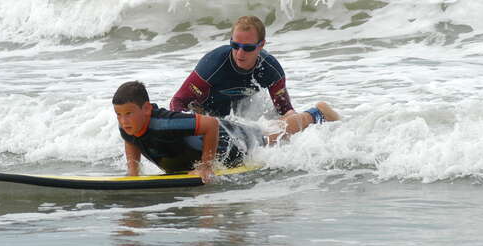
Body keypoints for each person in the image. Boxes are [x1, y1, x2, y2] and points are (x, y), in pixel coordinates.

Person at [113, 81, 340, 183]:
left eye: (128, 113)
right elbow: (131, 140)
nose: (123, 121)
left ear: (146, 108)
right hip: (214, 139)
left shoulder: (164, 123)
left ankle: (315, 113)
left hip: (229, 139)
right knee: (269, 132)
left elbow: (210, 125)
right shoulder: (130, 125)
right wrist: (133, 172)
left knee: (271, 139)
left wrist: (207, 166)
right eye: (119, 115)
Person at [170, 15, 294, 118]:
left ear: (261, 45)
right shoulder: (213, 64)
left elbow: (286, 111)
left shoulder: (270, 69)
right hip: (205, 117)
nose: (240, 53)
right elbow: (177, 101)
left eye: (248, 48)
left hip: (237, 120)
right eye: (235, 45)